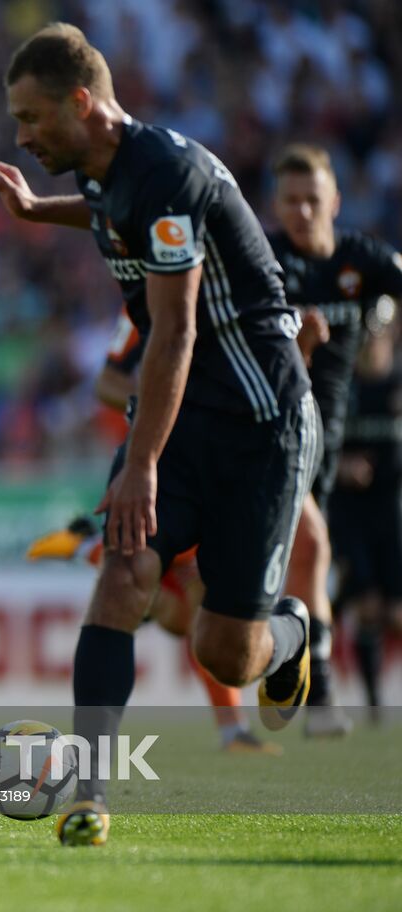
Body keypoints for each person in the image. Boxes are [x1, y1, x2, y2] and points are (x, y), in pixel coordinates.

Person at [0, 24, 319, 847]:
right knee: (125, 573)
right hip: (184, 416)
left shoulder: (167, 175)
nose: (20, 136)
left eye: (30, 117)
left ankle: (292, 632)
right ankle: (88, 794)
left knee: (226, 652)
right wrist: (33, 209)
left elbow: (174, 335)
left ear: (82, 103)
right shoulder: (108, 169)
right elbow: (104, 213)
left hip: (259, 426)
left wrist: (140, 463)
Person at [27, 308, 283, 756]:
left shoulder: (246, 286)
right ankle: (227, 732)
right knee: (175, 606)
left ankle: (87, 546)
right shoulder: (143, 298)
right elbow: (108, 383)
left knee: (194, 619)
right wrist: (167, 400)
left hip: (230, 462)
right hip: (165, 463)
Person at [268, 143, 402, 734]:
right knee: (312, 551)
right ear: (275, 205)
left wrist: (384, 314)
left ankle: (302, 684)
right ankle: (314, 696)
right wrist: (293, 352)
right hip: (269, 430)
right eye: (291, 201)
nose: (302, 212)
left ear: (335, 202)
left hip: (330, 433)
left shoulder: (361, 261)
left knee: (308, 561)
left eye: (312, 200)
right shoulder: (266, 263)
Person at [331, 317, 402, 722]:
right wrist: (341, 466)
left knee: (395, 615)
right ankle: (374, 703)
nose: (370, 344)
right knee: (369, 607)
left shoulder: (397, 383)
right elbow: (316, 441)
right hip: (351, 511)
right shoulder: (341, 385)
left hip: (392, 508)